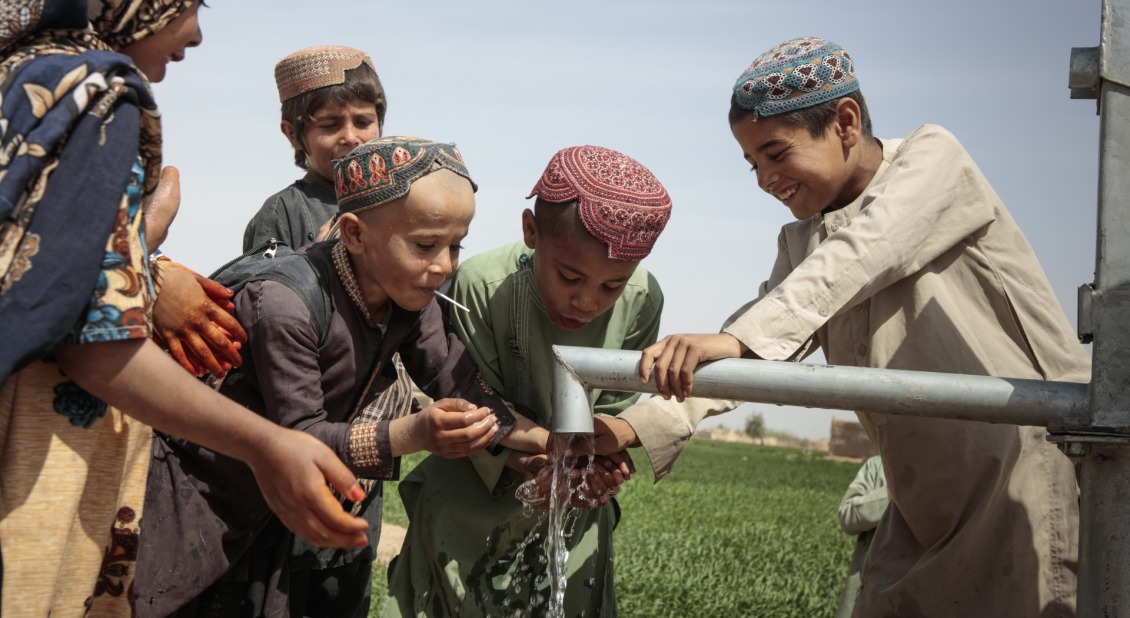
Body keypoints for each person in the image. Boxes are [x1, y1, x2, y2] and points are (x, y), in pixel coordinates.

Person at [606, 37, 1090, 616]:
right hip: (915, 506)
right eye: (752, 163)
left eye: (777, 153)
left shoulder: (933, 161)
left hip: (1025, 481)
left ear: (846, 121)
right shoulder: (803, 239)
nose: (764, 179)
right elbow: (752, 360)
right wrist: (623, 431)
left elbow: (864, 252)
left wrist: (738, 337)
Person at [0, 2, 369, 615]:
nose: (197, 33)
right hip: (37, 446)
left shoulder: (23, 74)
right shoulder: (95, 94)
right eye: (191, 5)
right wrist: (266, 443)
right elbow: (95, 342)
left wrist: (143, 254)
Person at [134, 135, 551, 616]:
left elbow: (459, 385)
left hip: (264, 508)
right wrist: (413, 433)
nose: (442, 267)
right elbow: (300, 438)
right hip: (190, 495)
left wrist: (548, 442)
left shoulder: (407, 298)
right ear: (353, 234)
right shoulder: (284, 304)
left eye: (455, 246)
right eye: (424, 245)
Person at [383, 145, 672, 617]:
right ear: (531, 231)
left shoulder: (642, 297)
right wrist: (546, 458)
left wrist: (601, 461)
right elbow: (472, 402)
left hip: (573, 505)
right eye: (569, 276)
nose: (586, 301)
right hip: (467, 500)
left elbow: (620, 411)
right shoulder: (480, 284)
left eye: (610, 286)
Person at [242, 45, 386, 252]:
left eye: (363, 122)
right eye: (330, 126)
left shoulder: (402, 201)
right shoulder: (282, 213)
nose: (351, 138)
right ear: (292, 134)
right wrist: (319, 256)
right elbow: (263, 282)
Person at [835, 455, 888, 618]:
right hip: (870, 591)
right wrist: (891, 494)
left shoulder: (952, 471)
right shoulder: (878, 465)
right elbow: (846, 518)